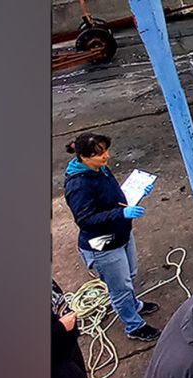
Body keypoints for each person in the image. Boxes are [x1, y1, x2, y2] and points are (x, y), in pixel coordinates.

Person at [63, 132, 161, 342]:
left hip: (121, 233)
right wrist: (121, 213)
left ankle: (134, 306)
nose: (106, 156)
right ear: (84, 157)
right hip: (102, 244)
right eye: (99, 154)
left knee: (130, 274)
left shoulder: (100, 169)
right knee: (120, 287)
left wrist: (137, 192)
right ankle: (133, 326)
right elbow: (85, 220)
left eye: (105, 150)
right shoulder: (78, 185)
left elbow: (112, 197)